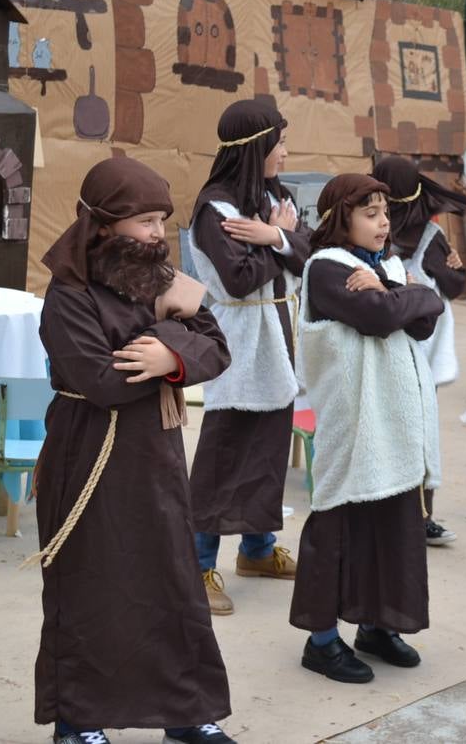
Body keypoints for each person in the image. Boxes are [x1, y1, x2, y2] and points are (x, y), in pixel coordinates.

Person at [34, 156, 237, 744]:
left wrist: (168, 356)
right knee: (93, 584)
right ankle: (79, 720)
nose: (156, 233)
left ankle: (184, 713)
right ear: (103, 224)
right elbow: (99, 377)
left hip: (157, 456)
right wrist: (168, 347)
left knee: (171, 581)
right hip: (89, 455)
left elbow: (215, 343)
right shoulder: (68, 293)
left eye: (160, 220)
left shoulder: (160, 276)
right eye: (144, 221)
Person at [291, 175, 444, 685]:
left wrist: (401, 292)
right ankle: (322, 642)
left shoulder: (388, 266)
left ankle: (377, 626)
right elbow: (380, 318)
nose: (383, 222)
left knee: (392, 527)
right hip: (356, 423)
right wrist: (408, 296)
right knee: (340, 524)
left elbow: (426, 319)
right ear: (342, 219)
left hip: (394, 425)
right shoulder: (328, 268)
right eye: (371, 213)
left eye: (385, 212)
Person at [188, 100, 308, 615]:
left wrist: (276, 236)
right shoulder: (215, 210)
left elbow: (310, 253)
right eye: (278, 142)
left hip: (277, 338)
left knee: (266, 453)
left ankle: (256, 550)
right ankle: (196, 565)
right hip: (240, 343)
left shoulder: (273, 198)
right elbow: (236, 281)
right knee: (223, 456)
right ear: (255, 147)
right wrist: (277, 242)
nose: (285, 150)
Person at [372, 155, 466, 545]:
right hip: (394, 346)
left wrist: (451, 271)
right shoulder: (371, 231)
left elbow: (454, 284)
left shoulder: (427, 238)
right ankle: (404, 516)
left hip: (415, 349)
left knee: (417, 433)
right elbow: (455, 282)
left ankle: (419, 515)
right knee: (402, 432)